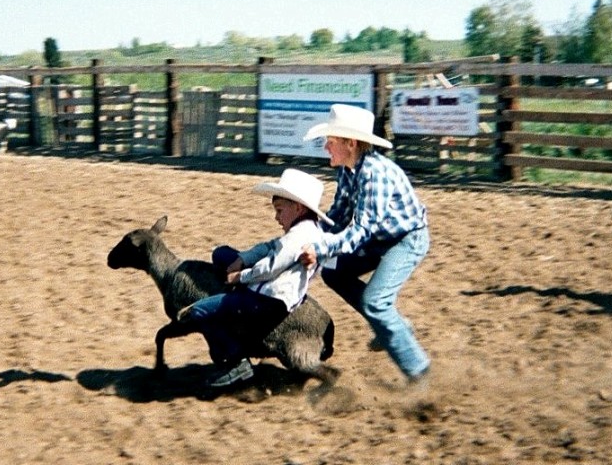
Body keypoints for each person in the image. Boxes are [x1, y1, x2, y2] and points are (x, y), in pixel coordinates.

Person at [298, 104, 431, 383]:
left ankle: (419, 372)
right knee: (334, 272)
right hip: (378, 240)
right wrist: (308, 235)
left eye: (330, 141)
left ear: (350, 143)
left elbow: (361, 229)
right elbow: (339, 213)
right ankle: (394, 325)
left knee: (375, 302)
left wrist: (320, 249)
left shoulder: (375, 173)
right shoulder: (348, 170)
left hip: (405, 240)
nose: (326, 147)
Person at [179, 168, 332, 388]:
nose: (276, 217)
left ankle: (236, 362)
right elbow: (271, 247)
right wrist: (242, 258)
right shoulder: (305, 229)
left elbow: (271, 267)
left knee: (199, 310)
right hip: (270, 292)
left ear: (297, 208)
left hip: (269, 299)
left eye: (280, 210)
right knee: (222, 254)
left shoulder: (298, 236)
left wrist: (240, 277)